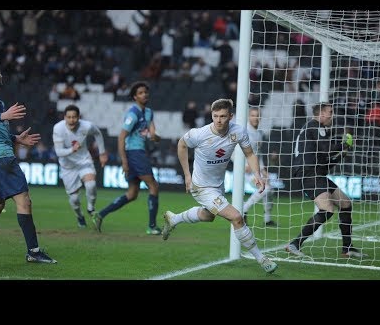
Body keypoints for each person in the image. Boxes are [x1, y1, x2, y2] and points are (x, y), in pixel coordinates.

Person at [162, 99, 278, 274]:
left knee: (208, 216)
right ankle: (261, 259)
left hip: (218, 186)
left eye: (223, 116)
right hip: (201, 186)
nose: (218, 120)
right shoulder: (200, 134)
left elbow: (250, 154)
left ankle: (174, 219)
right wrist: (187, 174)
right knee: (236, 217)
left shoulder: (238, 132)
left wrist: (257, 175)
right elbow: (182, 144)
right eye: (215, 116)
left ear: (230, 116)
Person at [0, 59, 56, 263]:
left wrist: (17, 139)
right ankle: (33, 252)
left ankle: (33, 251)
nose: (0, 74)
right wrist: (5, 115)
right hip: (1, 158)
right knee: (23, 200)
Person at [285, 102, 367, 259]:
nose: (332, 115)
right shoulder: (315, 126)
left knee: (345, 203)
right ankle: (294, 244)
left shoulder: (314, 131)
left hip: (316, 173)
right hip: (308, 173)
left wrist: (341, 155)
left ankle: (347, 248)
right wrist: (344, 143)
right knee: (327, 210)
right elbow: (327, 148)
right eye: (330, 112)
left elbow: (325, 161)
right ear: (321, 114)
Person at [92, 81, 162, 235]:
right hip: (134, 153)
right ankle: (151, 226)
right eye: (140, 93)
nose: (144, 95)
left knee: (132, 194)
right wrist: (124, 161)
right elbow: (121, 137)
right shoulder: (133, 114)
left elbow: (153, 134)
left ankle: (100, 214)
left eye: (145, 92)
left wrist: (155, 136)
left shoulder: (149, 112)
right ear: (134, 97)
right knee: (153, 186)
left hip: (139, 152)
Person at [52, 104, 108, 228]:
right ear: (64, 117)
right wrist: (72, 149)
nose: (72, 120)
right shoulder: (58, 128)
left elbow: (98, 133)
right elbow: (59, 152)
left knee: (91, 184)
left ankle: (91, 209)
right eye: (69, 117)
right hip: (67, 166)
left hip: (84, 160)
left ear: (79, 117)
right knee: (74, 199)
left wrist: (102, 152)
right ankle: (79, 216)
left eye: (74, 117)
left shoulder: (86, 126)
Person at [242, 107, 277, 227]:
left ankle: (267, 219)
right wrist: (243, 164)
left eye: (257, 115)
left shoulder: (258, 133)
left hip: (255, 168)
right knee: (265, 188)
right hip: (245, 169)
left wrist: (263, 169)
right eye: (252, 115)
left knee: (269, 189)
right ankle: (244, 209)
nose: (255, 118)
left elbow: (258, 154)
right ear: (248, 117)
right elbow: (235, 150)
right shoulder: (244, 131)